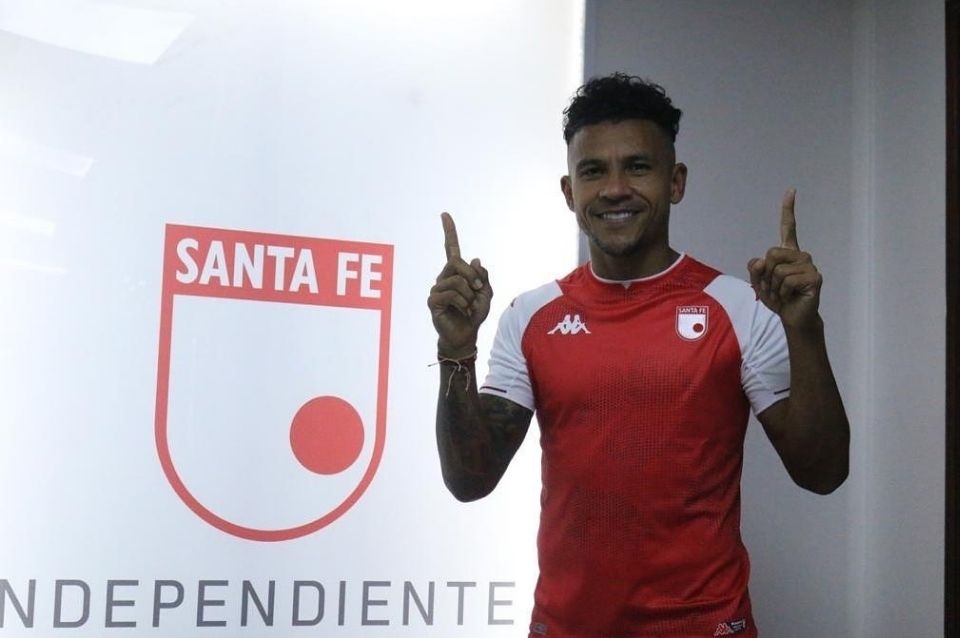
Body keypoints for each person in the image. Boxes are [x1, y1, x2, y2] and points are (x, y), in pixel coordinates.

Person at [426, 73, 849, 638]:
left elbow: (824, 472)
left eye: (638, 167)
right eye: (593, 171)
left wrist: (805, 330)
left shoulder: (738, 308)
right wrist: (456, 349)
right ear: (569, 191)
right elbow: (469, 479)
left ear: (676, 182)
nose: (615, 189)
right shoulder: (530, 316)